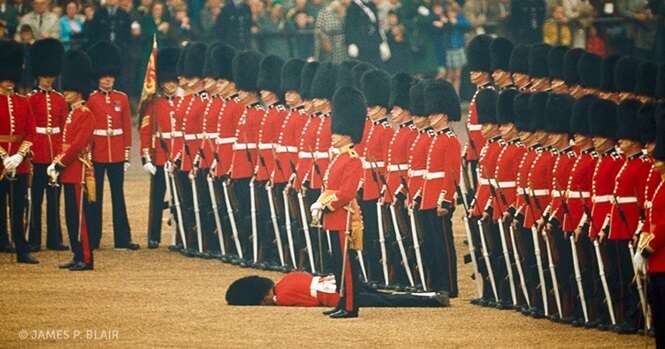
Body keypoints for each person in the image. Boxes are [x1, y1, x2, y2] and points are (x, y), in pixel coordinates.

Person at [310, 85, 366, 318]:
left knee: (347, 266)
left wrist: (326, 204)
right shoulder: (339, 158)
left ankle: (351, 306)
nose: (332, 135)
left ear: (347, 133)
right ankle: (342, 301)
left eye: (336, 132)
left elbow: (347, 193)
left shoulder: (352, 159)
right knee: (337, 264)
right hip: (333, 218)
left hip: (343, 218)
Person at [86, 41, 138, 251]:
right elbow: (88, 129)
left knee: (119, 197)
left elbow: (126, 127)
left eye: (110, 76)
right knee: (94, 197)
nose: (107, 79)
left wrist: (126, 155)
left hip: (116, 153)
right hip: (97, 153)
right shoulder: (91, 99)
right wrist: (88, 154)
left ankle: (123, 239)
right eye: (104, 76)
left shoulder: (122, 98)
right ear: (98, 77)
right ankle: (93, 238)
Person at [49, 48, 95, 271]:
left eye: (69, 89)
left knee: (79, 218)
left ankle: (86, 258)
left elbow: (77, 145)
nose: (65, 92)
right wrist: (55, 162)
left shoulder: (85, 114)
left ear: (79, 91)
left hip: (78, 171)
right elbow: (64, 143)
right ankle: (76, 253)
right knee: (70, 215)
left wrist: (60, 162)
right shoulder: (71, 113)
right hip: (68, 170)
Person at [419, 79, 461, 297]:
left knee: (443, 245)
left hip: (439, 199)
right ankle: (436, 283)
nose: (431, 117)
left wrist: (445, 200)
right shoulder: (435, 139)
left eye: (435, 114)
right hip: (428, 196)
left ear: (444, 115)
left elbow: (452, 174)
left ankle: (449, 286)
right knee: (432, 245)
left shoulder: (450, 140)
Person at [26, 38, 67, 252]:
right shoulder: (30, 99)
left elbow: (63, 128)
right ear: (38, 75)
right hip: (38, 153)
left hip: (55, 154)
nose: (48, 80)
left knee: (54, 200)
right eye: (44, 76)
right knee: (36, 200)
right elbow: (30, 129)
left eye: (50, 76)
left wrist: (61, 155)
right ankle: (34, 239)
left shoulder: (60, 99)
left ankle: (54, 239)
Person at [0, 40, 38, 264]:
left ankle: (21, 248)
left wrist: (19, 155)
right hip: (1, 161)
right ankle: (2, 241)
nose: (9, 83)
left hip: (19, 162)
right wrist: (5, 156)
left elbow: (31, 132)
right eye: (6, 79)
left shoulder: (23, 102)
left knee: (19, 207)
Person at [139, 47, 181, 249]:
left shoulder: (184, 102)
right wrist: (146, 158)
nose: (171, 85)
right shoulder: (154, 103)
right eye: (167, 82)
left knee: (180, 200)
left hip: (180, 157)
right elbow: (146, 131)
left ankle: (179, 237)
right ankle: (153, 236)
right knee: (157, 199)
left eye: (173, 81)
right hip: (161, 157)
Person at [225, 272, 450, 307]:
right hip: (343, 282)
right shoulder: (288, 278)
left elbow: (312, 303)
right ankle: (429, 295)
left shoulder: (282, 296)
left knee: (389, 300)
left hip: (339, 296)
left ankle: (432, 300)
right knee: (388, 295)